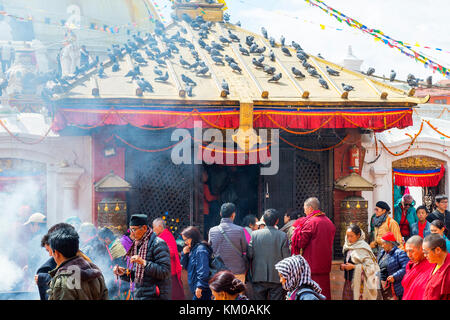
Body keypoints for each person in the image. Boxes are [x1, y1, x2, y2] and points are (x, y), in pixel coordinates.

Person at [113, 214, 171, 300]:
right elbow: (138, 275)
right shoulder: (138, 244)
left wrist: (144, 262)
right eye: (131, 230)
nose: (132, 233)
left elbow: (164, 272)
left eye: (134, 230)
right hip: (139, 294)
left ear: (144, 228)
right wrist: (124, 273)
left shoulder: (158, 244)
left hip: (155, 295)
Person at [291, 197, 336, 300]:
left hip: (311, 265)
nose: (304, 211)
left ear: (310, 208)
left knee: (312, 293)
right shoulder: (329, 222)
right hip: (325, 265)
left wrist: (295, 232)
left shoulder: (311, 222)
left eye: (305, 208)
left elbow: (300, 242)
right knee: (324, 291)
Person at [47, 228, 109, 300]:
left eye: (51, 252)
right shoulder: (95, 272)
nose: (50, 255)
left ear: (57, 253)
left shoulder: (65, 279)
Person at [248, 208, 290, 300]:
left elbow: (250, 255)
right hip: (277, 277)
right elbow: (287, 258)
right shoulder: (282, 236)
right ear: (277, 221)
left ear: (263, 221)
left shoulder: (254, 235)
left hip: (258, 276)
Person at [209, 202, 248, 283]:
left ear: (220, 214)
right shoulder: (240, 230)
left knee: (220, 295)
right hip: (237, 271)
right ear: (233, 215)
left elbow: (210, 250)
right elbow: (245, 249)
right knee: (238, 295)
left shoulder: (212, 231)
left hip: (219, 273)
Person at [341, 224, 379, 300]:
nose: (349, 239)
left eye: (351, 236)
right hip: (348, 283)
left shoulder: (364, 248)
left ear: (358, 235)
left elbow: (372, 268)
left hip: (360, 285)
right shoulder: (347, 247)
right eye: (347, 236)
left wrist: (354, 267)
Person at [152, 218, 185, 300]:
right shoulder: (162, 236)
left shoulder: (166, 236)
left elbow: (172, 252)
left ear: (159, 226)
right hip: (164, 270)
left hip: (169, 270)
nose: (153, 230)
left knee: (173, 295)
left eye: (153, 227)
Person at [180, 226, 213, 300]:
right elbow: (185, 266)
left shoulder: (200, 249)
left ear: (193, 237)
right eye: (184, 240)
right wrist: (184, 254)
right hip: (196, 288)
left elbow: (203, 270)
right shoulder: (193, 249)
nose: (185, 242)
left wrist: (200, 286)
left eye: (186, 240)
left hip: (202, 289)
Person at [377, 232, 409, 300]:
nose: (382, 246)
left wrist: (394, 276)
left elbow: (406, 268)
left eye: (383, 243)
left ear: (390, 243)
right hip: (382, 286)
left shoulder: (399, 253)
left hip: (394, 287)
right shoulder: (382, 253)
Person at [401, 236, 434, 300]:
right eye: (406, 251)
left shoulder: (432, 265)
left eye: (411, 251)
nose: (408, 255)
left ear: (422, 249)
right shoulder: (410, 265)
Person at [423, 233, 450, 300]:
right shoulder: (436, 263)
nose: (424, 255)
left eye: (426, 252)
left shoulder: (448, 269)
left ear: (438, 250)